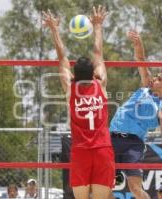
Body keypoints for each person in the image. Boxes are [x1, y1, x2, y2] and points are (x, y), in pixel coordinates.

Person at [42, 5, 115, 199]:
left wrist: (54, 29)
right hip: (102, 149)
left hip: (81, 151)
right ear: (94, 73)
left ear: (75, 74)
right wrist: (98, 25)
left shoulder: (70, 88)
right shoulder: (101, 84)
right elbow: (98, 52)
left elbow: (62, 57)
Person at [108, 30, 162, 199]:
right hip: (111, 138)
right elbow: (141, 60)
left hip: (133, 145)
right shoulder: (145, 86)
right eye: (156, 76)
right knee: (103, 189)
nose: (154, 79)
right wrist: (138, 43)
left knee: (135, 189)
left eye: (158, 79)